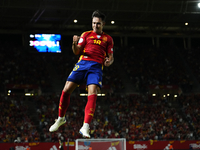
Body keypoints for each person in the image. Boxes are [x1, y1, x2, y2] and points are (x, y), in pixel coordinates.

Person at [49, 10, 114, 138]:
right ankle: (60, 118)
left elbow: (111, 57)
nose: (95, 26)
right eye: (94, 23)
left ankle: (85, 126)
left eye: (98, 24)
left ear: (103, 24)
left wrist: (109, 61)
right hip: (83, 63)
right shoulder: (86, 34)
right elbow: (76, 51)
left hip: (96, 67)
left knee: (93, 92)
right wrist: (74, 43)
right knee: (66, 89)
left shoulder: (108, 39)